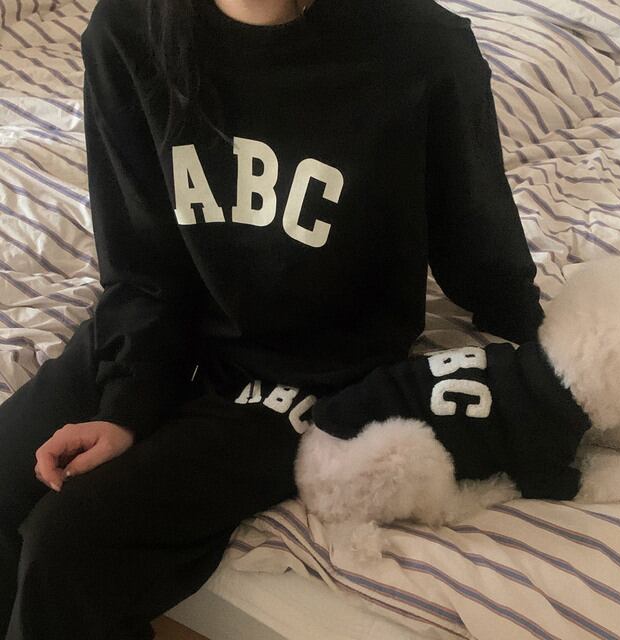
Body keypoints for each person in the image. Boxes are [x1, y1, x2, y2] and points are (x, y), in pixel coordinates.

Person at [0, 0, 544, 637]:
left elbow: (480, 249)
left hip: (309, 369)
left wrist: (551, 375)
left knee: (68, 545)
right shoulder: (127, 29)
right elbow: (141, 262)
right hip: (155, 323)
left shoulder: (422, 47)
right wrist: (128, 408)